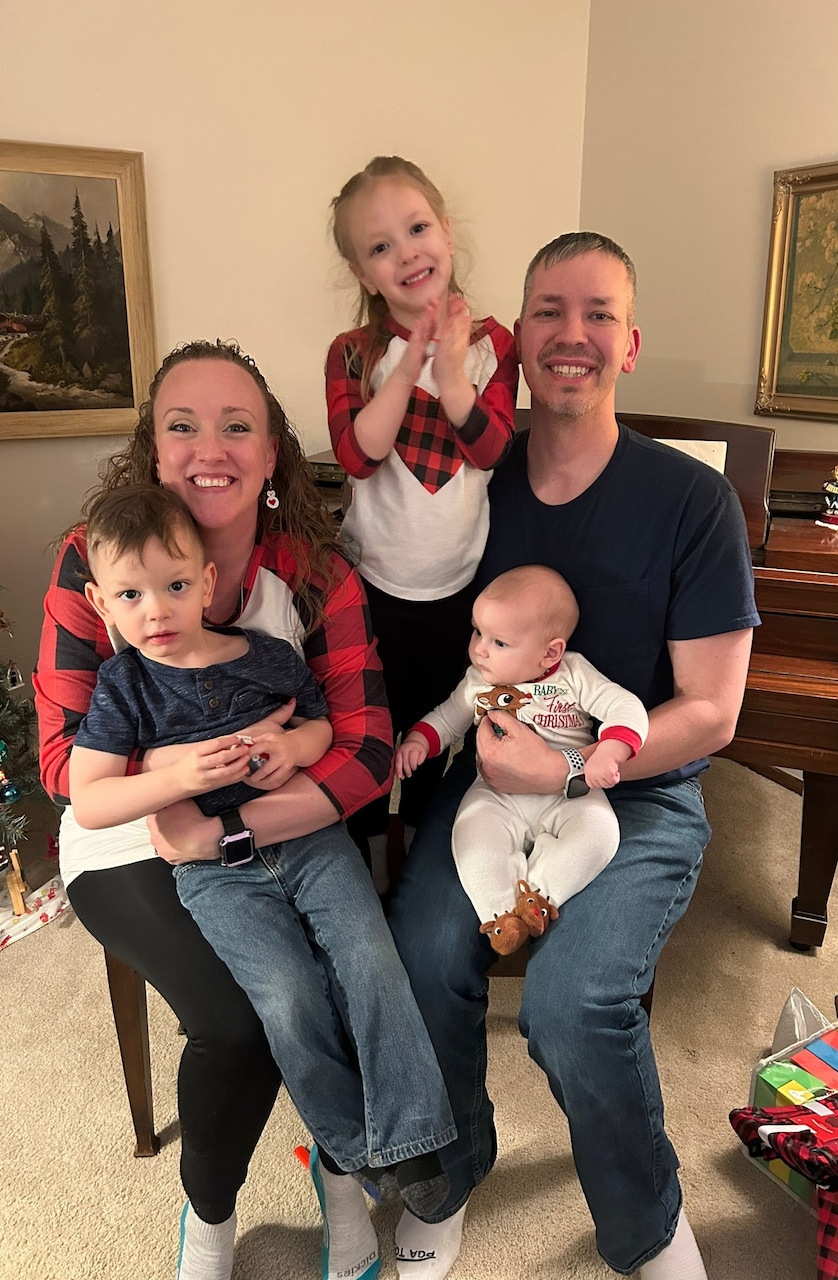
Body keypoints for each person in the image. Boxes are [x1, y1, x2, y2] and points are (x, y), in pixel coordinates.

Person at [387, 233, 759, 1280]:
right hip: (487, 786)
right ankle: (452, 1170)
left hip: (636, 794)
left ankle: (645, 1224)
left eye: (597, 314)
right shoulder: (470, 487)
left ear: (629, 343)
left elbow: (713, 710)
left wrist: (568, 773)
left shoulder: (691, 502)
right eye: (548, 310)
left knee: (572, 1000)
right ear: (517, 341)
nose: (571, 334)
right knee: (418, 953)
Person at [33, 340, 414, 1280]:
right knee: (241, 1019)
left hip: (278, 819)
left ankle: (340, 1179)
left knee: (348, 972)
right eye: (183, 425)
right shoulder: (94, 561)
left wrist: (236, 819)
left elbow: (366, 744)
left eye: (238, 425)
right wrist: (180, 774)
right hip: (129, 834)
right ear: (153, 453)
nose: (212, 447)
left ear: (273, 450)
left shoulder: (316, 574)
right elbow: (59, 764)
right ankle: (209, 1221)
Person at [68, 484, 454, 1231]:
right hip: (215, 876)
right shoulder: (124, 686)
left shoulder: (269, 656)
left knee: (372, 960)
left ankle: (416, 1140)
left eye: (176, 586)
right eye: (131, 594)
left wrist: (291, 747)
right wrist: (176, 776)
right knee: (287, 996)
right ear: (100, 603)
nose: (156, 612)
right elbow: (89, 799)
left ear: (207, 583)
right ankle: (353, 1148)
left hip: (310, 843)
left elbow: (320, 731)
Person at [326, 155, 518, 890]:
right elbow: (359, 454)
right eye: (380, 247)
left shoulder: (495, 343)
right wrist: (411, 366)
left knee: (440, 739)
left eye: (417, 228)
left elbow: (493, 447)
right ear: (363, 272)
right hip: (372, 588)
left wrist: (456, 377)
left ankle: (429, 873)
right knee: (371, 738)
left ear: (447, 230)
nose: (406, 252)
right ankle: (367, 869)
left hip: (458, 593)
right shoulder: (353, 354)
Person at [394, 564, 648, 954]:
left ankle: (541, 897)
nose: (479, 648)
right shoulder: (479, 682)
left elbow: (625, 706)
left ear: (550, 652)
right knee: (471, 832)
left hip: (569, 791)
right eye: (478, 631)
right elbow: (449, 716)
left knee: (600, 834)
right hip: (497, 791)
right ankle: (498, 915)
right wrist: (419, 740)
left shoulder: (574, 675)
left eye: (499, 642)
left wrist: (611, 749)